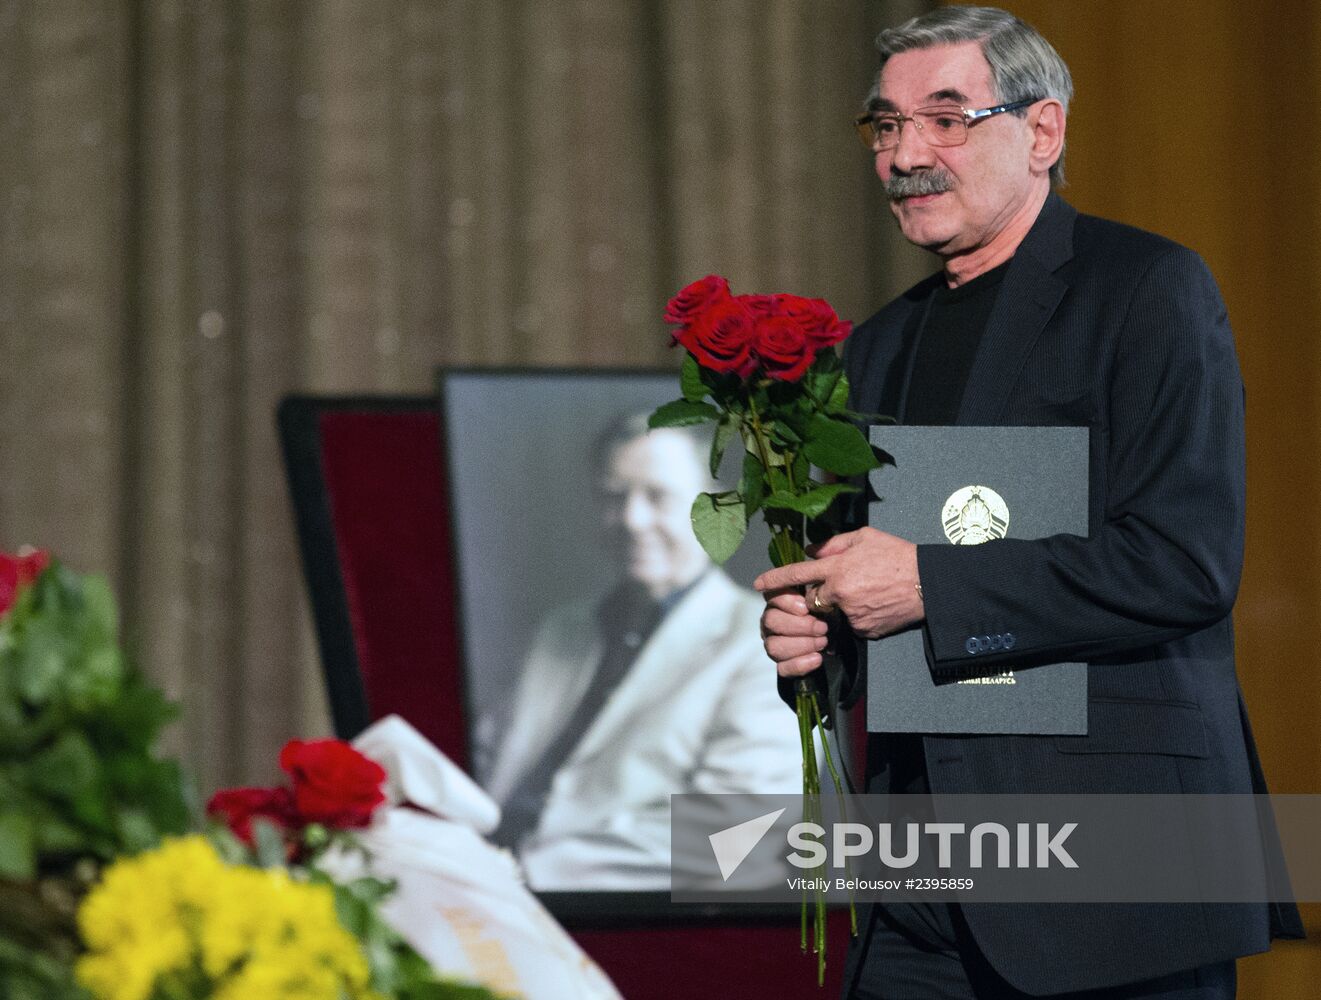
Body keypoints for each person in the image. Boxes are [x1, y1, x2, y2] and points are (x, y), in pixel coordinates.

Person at [754, 6, 1303, 998]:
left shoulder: (1144, 289)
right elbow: (867, 583)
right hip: (922, 886)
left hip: (1111, 884)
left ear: (1041, 131)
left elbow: (1181, 564)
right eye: (886, 125)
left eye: (945, 119)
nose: (905, 155)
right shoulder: (876, 347)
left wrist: (927, 584)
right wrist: (815, 635)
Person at [485, 413, 801, 890]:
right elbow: (488, 763)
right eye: (614, 497)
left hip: (588, 904)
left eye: (658, 496)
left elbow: (739, 832)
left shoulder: (765, 641)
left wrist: (525, 873)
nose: (632, 520)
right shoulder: (561, 631)